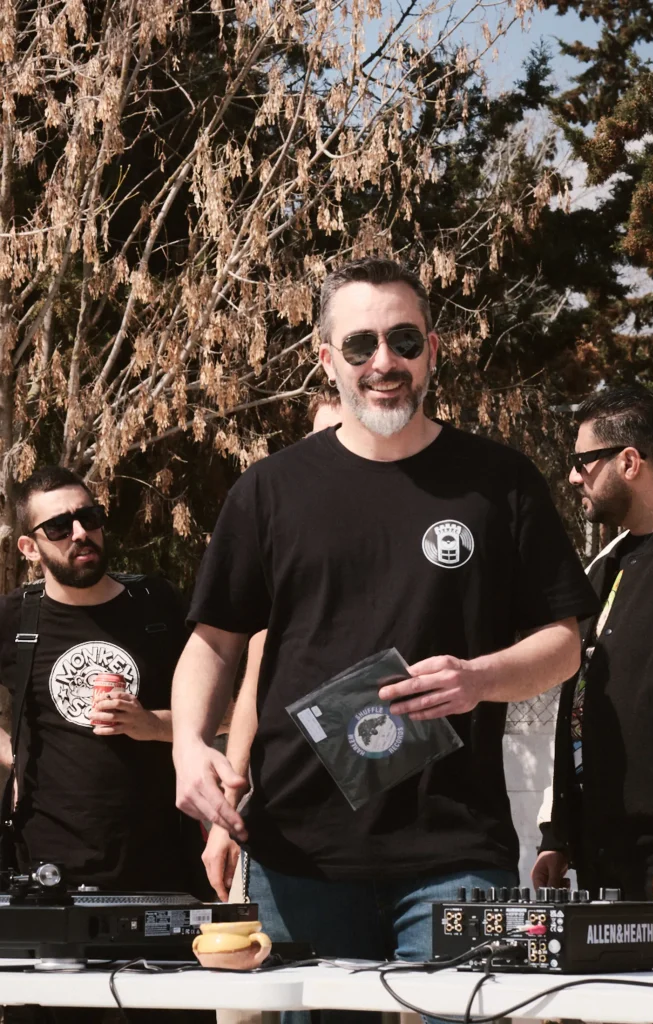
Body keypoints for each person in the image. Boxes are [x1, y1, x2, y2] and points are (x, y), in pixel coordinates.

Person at [172, 256, 598, 977]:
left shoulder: (498, 483)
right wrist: (186, 744)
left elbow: (564, 643)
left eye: (404, 340)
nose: (384, 362)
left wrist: (479, 678)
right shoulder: (269, 490)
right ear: (325, 359)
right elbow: (213, 642)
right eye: (360, 344)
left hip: (455, 853)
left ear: (432, 350)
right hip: (296, 856)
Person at [0, 466, 218, 895]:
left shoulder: (158, 606)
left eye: (90, 517)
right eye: (59, 527)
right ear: (29, 547)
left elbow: (227, 714)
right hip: (46, 870)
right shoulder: (14, 618)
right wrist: (14, 754)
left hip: (162, 866)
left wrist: (153, 725)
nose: (80, 532)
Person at [532, 385, 653, 903]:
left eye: (583, 461)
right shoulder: (603, 568)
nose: (573, 476)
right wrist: (559, 833)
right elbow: (577, 700)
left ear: (630, 461)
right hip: (604, 849)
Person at [202, 391, 343, 901]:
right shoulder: (284, 530)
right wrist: (227, 817)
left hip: (421, 836)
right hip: (297, 840)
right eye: (320, 438)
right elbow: (255, 675)